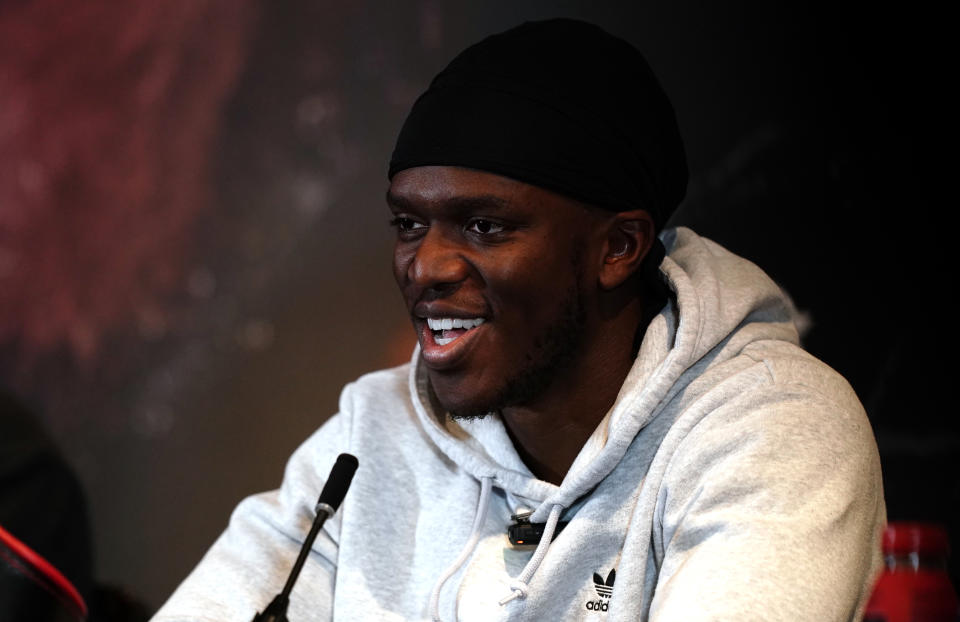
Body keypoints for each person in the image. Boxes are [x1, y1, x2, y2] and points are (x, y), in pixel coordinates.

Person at [152, 18, 884, 621]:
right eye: (409, 224)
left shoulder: (773, 427)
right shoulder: (369, 436)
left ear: (619, 247)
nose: (426, 266)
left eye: (484, 227)